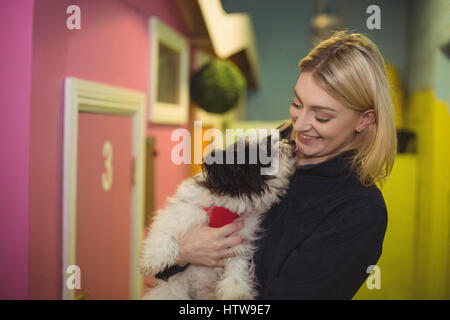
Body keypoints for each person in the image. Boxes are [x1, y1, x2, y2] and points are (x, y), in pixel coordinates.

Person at [155, 31, 397, 299]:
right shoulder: (273, 145)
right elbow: (170, 258)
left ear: (364, 120)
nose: (300, 125)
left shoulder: (358, 212)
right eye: (297, 103)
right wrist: (180, 252)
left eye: (323, 116)